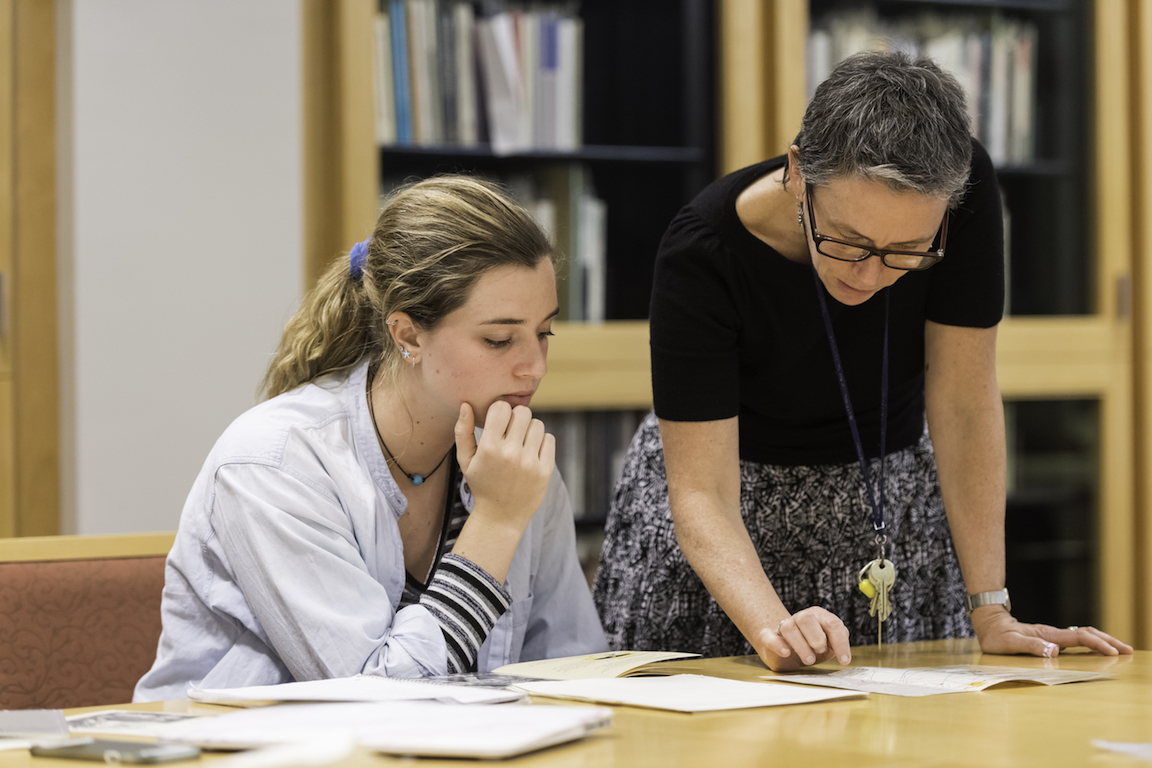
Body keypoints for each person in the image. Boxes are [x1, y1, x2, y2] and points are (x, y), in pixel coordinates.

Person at [592, 51, 1132, 671]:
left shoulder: (961, 191)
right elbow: (702, 493)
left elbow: (962, 399)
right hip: (730, 530)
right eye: (847, 240)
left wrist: (991, 609)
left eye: (906, 250)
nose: (871, 275)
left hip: (889, 498)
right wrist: (772, 629)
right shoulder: (703, 254)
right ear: (798, 172)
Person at [136, 176, 606, 701]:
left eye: (544, 332)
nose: (535, 366)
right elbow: (374, 697)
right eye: (499, 339)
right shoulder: (273, 463)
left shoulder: (512, 463)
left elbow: (572, 669)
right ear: (407, 335)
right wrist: (495, 523)